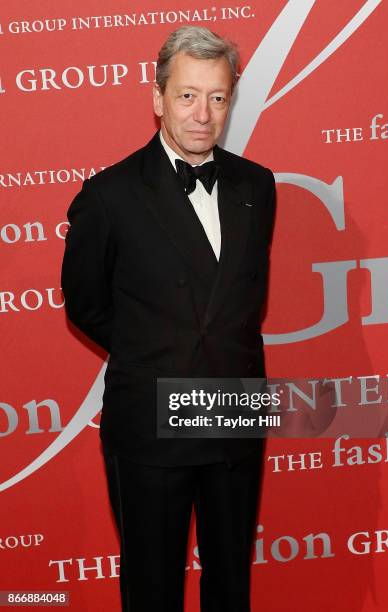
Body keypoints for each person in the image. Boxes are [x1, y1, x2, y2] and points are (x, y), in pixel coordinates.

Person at [62, 25, 275, 612]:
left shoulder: (257, 186)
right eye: (187, 95)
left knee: (231, 581)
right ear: (157, 99)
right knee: (153, 586)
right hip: (151, 416)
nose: (203, 114)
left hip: (235, 410)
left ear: (230, 100)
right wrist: (156, 352)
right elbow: (86, 306)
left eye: (217, 97)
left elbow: (243, 300)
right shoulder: (110, 195)